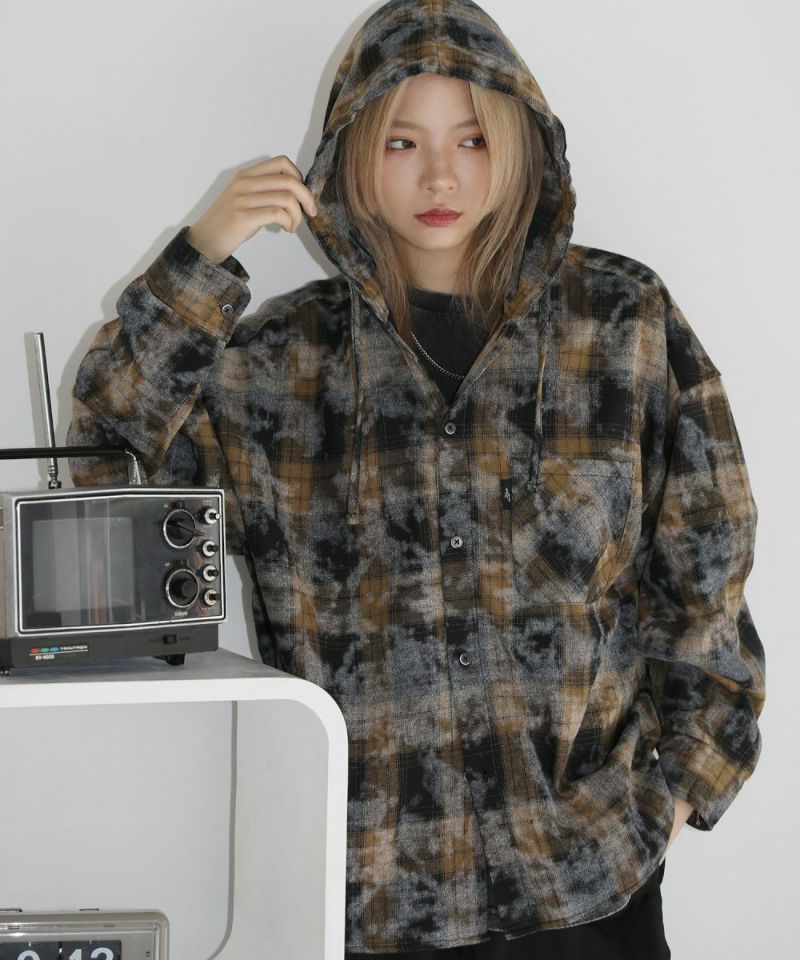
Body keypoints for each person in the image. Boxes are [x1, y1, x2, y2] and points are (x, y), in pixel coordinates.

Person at [66, 0, 766, 957]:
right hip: (364, 906)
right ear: (352, 154)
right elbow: (101, 484)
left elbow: (707, 568)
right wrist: (202, 257)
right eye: (402, 142)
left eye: (473, 139)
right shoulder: (273, 365)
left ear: (519, 146)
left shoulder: (621, 324)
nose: (441, 175)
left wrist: (674, 793)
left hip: (590, 897)